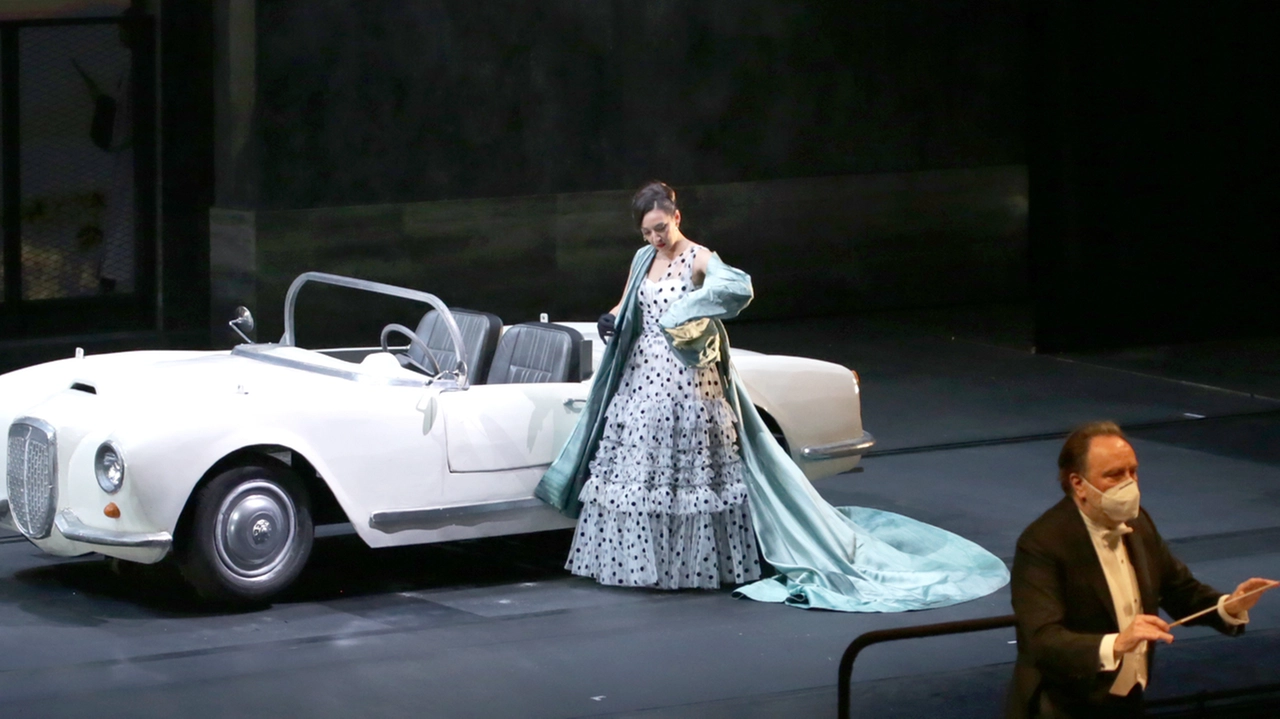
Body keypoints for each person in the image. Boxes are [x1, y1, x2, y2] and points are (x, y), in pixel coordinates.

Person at [536, 181, 1011, 610]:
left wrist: (688, 312)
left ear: (676, 217)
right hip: (643, 376)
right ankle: (649, 565)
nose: (655, 239)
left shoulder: (699, 257)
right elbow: (628, 301)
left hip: (687, 378)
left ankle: (696, 567)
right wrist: (612, 317)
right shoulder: (644, 259)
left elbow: (736, 288)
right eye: (646, 233)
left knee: (692, 475)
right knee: (645, 474)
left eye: (660, 228)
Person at [1007, 421, 1277, 718]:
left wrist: (1229, 605)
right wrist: (1116, 643)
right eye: (1114, 475)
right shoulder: (1041, 544)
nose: (1129, 484)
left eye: (1132, 472)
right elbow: (1042, 640)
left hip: (1128, 700)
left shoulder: (1139, 523)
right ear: (1078, 484)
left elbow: (1179, 588)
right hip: (1063, 707)